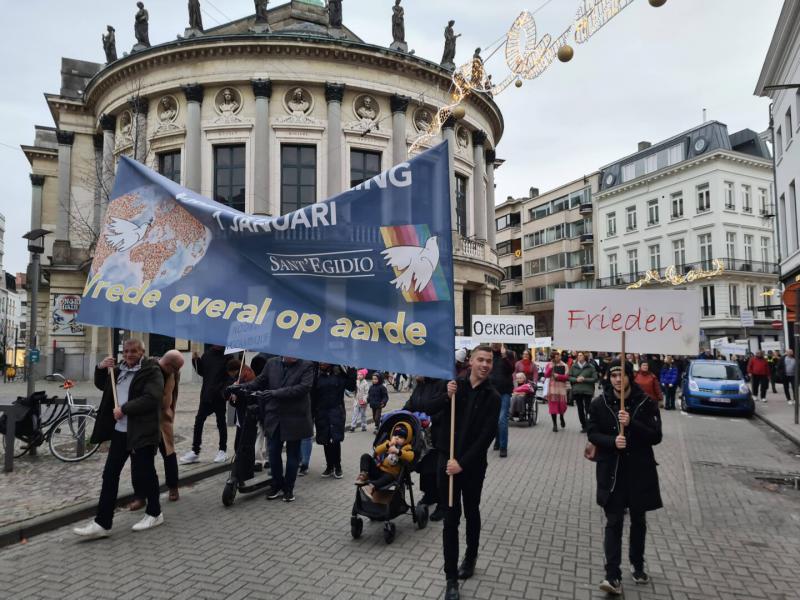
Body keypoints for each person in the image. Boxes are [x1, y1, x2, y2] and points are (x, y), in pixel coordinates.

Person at [411, 345, 500, 600]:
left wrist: (462, 463)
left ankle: (470, 557)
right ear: (470, 362)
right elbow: (426, 408)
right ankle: (451, 578)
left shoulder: (492, 396)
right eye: (480, 360)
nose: (485, 365)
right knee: (450, 519)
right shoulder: (453, 386)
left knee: (471, 511)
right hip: (445, 463)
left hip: (470, 466)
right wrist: (444, 396)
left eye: (489, 361)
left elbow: (487, 436)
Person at [73, 339, 165, 538]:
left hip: (142, 430)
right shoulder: (118, 370)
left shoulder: (152, 371)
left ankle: (155, 513)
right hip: (120, 431)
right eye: (126, 351)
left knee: (145, 473)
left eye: (134, 351)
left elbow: (152, 398)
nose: (129, 355)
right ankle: (102, 522)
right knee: (110, 474)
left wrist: (124, 409)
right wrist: (101, 368)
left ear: (142, 352)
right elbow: (103, 386)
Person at [587, 358, 663, 596]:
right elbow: (592, 433)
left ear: (630, 376)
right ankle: (612, 575)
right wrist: (612, 441)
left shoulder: (645, 402)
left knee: (638, 520)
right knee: (614, 522)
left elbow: (655, 436)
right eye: (613, 376)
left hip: (639, 470)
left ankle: (637, 564)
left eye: (622, 375)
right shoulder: (600, 404)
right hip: (612, 472)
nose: (618, 380)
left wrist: (632, 424)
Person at [229, 355, 314, 502]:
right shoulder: (272, 363)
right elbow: (260, 381)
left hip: (296, 417)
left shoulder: (306, 365)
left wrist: (275, 393)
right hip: (275, 416)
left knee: (293, 455)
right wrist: (241, 386)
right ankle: (276, 484)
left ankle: (288, 489)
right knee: (273, 452)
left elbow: (303, 388)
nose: (292, 356)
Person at [129, 350, 185, 511]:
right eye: (175, 369)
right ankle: (139, 495)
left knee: (168, 453)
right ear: (168, 365)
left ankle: (173, 486)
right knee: (139, 459)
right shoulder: (148, 368)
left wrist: (171, 413)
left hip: (163, 420)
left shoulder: (172, 374)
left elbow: (172, 395)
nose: (176, 372)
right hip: (145, 420)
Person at [403, 375, 448, 520]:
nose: (415, 374)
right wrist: (402, 414)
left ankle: (443, 504)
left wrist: (430, 419)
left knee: (439, 470)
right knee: (425, 466)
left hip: (437, 434)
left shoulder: (441, 383)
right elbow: (411, 404)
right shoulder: (420, 386)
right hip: (423, 436)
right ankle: (429, 495)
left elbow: (444, 408)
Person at [181, 345, 229, 464]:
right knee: (198, 422)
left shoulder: (228, 357)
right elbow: (202, 371)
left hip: (219, 396)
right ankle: (195, 451)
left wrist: (222, 391)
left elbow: (229, 377)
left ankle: (222, 450)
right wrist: (195, 360)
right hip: (206, 394)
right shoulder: (207, 355)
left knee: (221, 422)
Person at [312, 363, 355, 479]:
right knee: (325, 440)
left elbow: (351, 386)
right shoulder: (316, 375)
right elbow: (312, 396)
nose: (321, 363)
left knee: (335, 440)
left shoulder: (339, 375)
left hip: (336, 412)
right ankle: (329, 466)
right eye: (319, 362)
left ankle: (338, 466)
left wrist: (351, 369)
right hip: (321, 413)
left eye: (324, 361)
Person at [355, 422, 415, 488]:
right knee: (365, 456)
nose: (396, 438)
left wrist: (398, 451)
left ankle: (371, 486)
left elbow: (410, 456)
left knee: (387, 478)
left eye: (400, 437)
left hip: (390, 473)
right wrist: (388, 445)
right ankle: (363, 475)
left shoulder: (407, 447)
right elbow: (377, 450)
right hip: (379, 469)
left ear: (407, 439)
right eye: (395, 436)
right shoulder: (388, 443)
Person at [489, 343, 515, 457]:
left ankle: (503, 447)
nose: (494, 343)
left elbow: (511, 369)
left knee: (502, 419)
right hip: (491, 391)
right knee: (493, 419)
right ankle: (498, 440)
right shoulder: (488, 353)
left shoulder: (508, 354)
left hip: (504, 391)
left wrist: (504, 357)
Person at [569, 351, 597, 433]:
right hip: (577, 390)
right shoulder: (574, 366)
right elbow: (569, 377)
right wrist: (576, 379)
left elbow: (595, 378)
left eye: (581, 355)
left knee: (588, 409)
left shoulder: (591, 366)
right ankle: (584, 425)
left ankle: (589, 425)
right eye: (578, 355)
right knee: (580, 409)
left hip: (587, 390)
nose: (579, 356)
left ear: (585, 357)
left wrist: (584, 379)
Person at [545, 352, 569, 432]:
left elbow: (566, 377)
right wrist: (550, 368)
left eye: (559, 356)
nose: (558, 358)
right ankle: (554, 424)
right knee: (553, 407)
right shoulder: (549, 364)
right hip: (552, 389)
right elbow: (546, 375)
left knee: (562, 406)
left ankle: (561, 417)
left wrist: (558, 376)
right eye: (556, 357)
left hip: (561, 389)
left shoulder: (565, 365)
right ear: (553, 358)